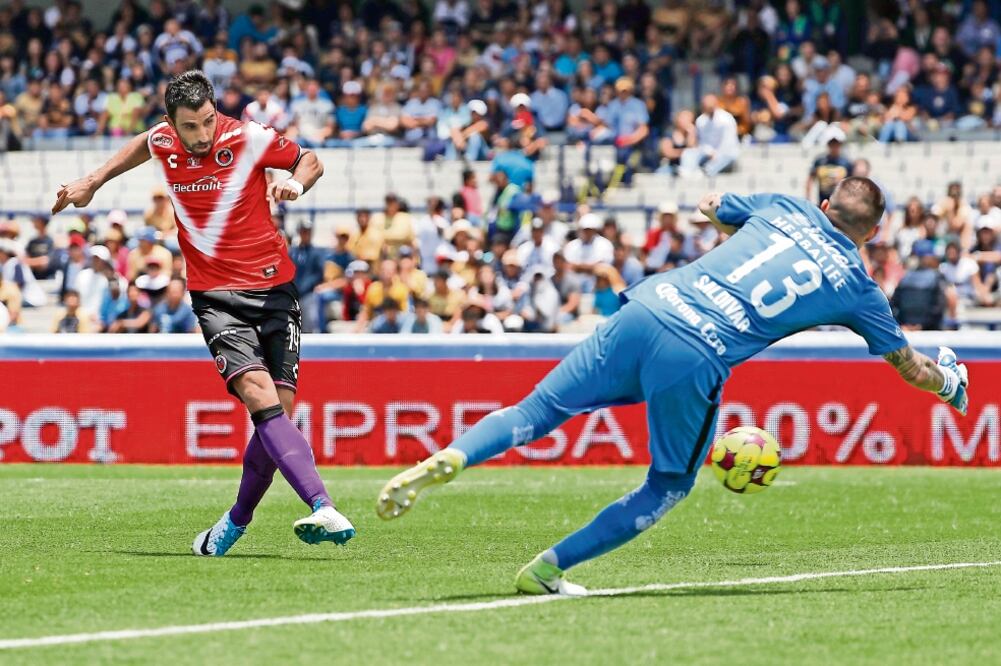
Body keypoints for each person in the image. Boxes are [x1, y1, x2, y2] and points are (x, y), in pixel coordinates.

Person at [376, 177, 970, 595]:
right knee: (668, 483)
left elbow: (711, 204)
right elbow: (908, 365)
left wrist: (725, 218)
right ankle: (546, 570)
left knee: (538, 408)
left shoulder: (783, 207)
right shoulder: (858, 285)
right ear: (868, 236)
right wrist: (949, 385)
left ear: (823, 201)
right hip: (698, 350)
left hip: (650, 305)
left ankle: (453, 455)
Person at [52, 70, 355, 556]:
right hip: (215, 296)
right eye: (190, 127)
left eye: (208, 122)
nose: (202, 135)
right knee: (259, 397)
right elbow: (140, 145)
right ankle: (322, 503)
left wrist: (296, 185)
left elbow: (310, 160)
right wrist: (92, 181)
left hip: (276, 289)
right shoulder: (164, 140)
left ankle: (234, 523)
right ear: (172, 124)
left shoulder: (248, 137)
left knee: (278, 415)